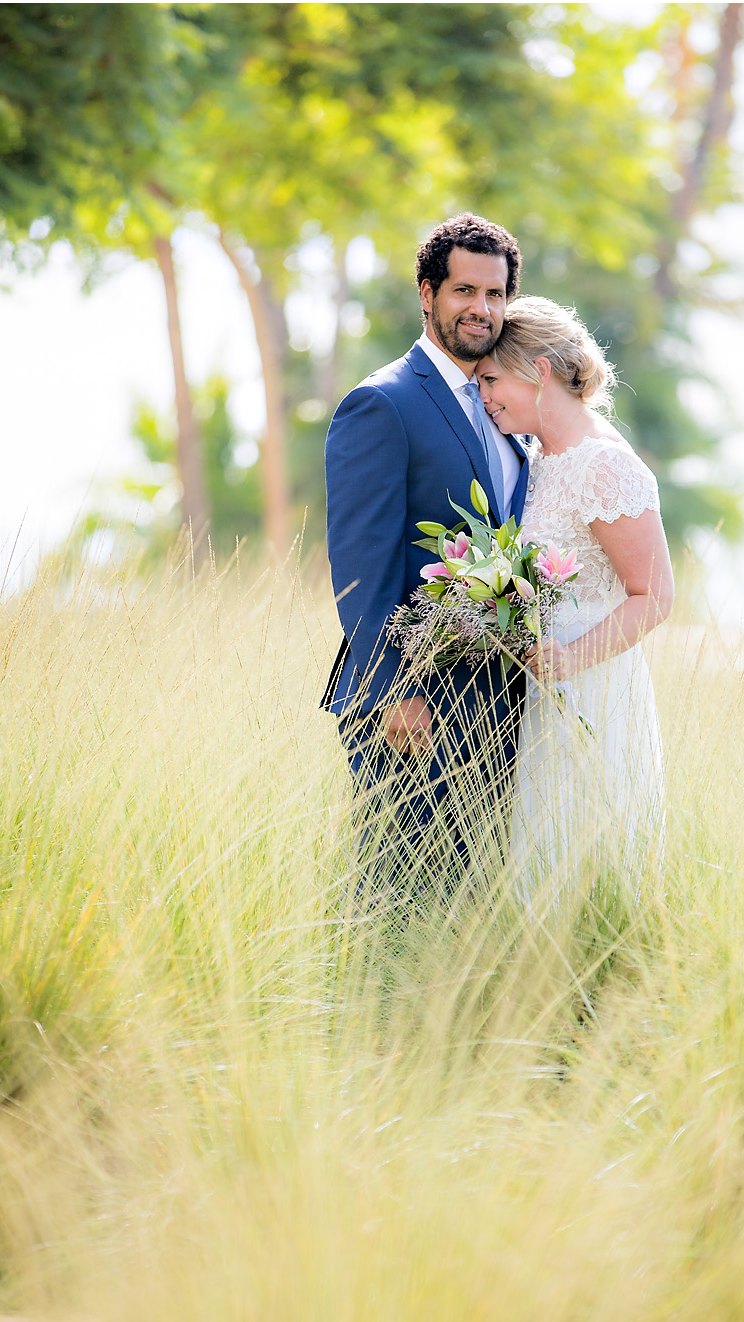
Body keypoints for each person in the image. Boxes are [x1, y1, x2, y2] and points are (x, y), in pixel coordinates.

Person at [321, 214, 531, 887]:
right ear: (426, 292)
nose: (482, 309)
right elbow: (361, 569)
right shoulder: (382, 404)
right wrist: (396, 690)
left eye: (495, 295)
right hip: (409, 710)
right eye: (465, 291)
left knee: (468, 906)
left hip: (494, 706)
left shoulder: (508, 414)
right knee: (398, 893)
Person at [476, 296, 673, 907]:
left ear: (537, 370)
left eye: (490, 379)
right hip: (539, 685)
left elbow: (655, 597)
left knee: (591, 858)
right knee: (539, 862)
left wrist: (573, 657)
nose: (483, 396)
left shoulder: (604, 464)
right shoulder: (534, 460)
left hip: (592, 684)